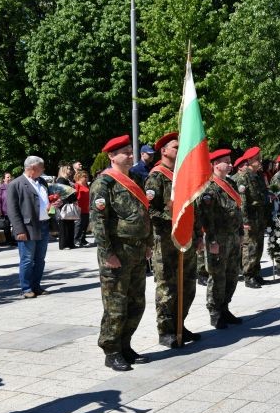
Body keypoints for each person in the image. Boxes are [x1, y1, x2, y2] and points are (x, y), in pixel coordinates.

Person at [89, 135, 153, 371]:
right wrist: (108, 254)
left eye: (130, 150)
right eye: (124, 152)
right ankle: (112, 350)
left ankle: (125, 345)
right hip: (117, 252)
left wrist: (148, 243)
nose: (130, 155)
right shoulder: (104, 184)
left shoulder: (136, 179)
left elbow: (145, 215)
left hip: (137, 250)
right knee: (116, 305)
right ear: (111, 156)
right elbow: (98, 223)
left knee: (137, 303)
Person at [144, 132, 200, 348]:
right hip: (165, 241)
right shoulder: (156, 177)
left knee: (187, 285)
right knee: (167, 287)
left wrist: (197, 234)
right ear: (164, 151)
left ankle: (180, 324)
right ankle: (166, 331)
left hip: (186, 239)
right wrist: (174, 219)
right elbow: (150, 210)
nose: (180, 150)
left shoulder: (183, 175)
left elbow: (192, 208)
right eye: (176, 147)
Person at [196, 149, 243, 329]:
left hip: (233, 237)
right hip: (218, 238)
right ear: (215, 164)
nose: (230, 164)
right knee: (217, 276)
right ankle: (215, 312)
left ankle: (225, 307)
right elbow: (206, 217)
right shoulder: (209, 187)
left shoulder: (231, 183)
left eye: (230, 161)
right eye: (226, 161)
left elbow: (237, 210)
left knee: (232, 274)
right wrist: (212, 241)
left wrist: (240, 233)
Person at [8, 156, 57, 298]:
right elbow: (12, 210)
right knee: (27, 260)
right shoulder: (16, 184)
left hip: (44, 225)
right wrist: (19, 230)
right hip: (27, 228)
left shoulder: (42, 182)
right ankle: (26, 288)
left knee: (40, 259)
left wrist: (53, 205)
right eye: (42, 167)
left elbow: (47, 201)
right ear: (33, 168)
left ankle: (36, 286)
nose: (43, 170)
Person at [232, 147, 265, 289]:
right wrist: (244, 221)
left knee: (258, 246)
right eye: (257, 159)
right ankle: (248, 275)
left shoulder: (257, 176)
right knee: (250, 247)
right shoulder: (243, 177)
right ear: (250, 160)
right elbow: (242, 202)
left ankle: (256, 273)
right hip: (250, 218)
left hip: (259, 217)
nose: (260, 161)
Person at [55, 164, 77, 250]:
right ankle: (64, 244)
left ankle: (70, 243)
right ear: (64, 170)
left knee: (70, 223)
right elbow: (63, 193)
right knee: (64, 224)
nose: (70, 171)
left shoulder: (66, 180)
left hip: (68, 203)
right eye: (68, 169)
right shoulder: (61, 180)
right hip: (64, 204)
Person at [0, 172, 14, 244]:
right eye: (7, 177)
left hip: (14, 210)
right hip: (5, 211)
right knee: (6, 227)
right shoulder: (0, 188)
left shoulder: (13, 186)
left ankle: (14, 239)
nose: (9, 178)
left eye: (10, 177)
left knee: (16, 225)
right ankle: (9, 241)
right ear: (4, 179)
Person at [73, 170, 91, 247]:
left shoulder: (87, 185)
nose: (86, 178)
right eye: (84, 177)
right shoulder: (77, 185)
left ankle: (83, 239)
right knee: (79, 225)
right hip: (79, 208)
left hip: (86, 208)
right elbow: (74, 196)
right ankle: (76, 240)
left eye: (87, 177)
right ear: (79, 177)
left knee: (85, 225)